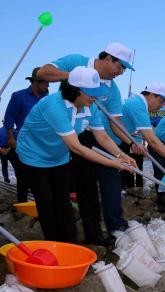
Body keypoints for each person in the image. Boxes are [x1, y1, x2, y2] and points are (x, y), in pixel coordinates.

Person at [16, 67, 136, 242]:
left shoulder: (91, 106)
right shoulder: (54, 106)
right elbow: (76, 147)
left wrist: (120, 155)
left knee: (63, 202)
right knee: (46, 203)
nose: (94, 97)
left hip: (60, 157)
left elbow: (102, 136)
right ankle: (54, 244)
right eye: (90, 93)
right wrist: (113, 164)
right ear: (75, 89)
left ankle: (69, 243)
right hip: (34, 156)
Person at [37, 42, 142, 237]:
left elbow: (115, 122)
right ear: (108, 58)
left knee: (113, 178)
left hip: (101, 135)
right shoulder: (76, 62)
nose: (120, 73)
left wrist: (129, 144)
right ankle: (93, 233)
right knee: (86, 187)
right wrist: (77, 78)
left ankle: (116, 228)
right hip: (74, 133)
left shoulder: (113, 90)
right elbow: (42, 73)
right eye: (119, 67)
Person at [107, 83, 165, 189]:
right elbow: (152, 140)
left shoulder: (140, 104)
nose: (161, 106)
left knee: (118, 175)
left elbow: (151, 133)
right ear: (151, 95)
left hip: (116, 141)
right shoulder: (138, 105)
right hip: (107, 140)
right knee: (112, 177)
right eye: (161, 101)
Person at [2, 67, 49, 201]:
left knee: (42, 173)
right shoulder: (18, 96)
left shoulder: (47, 99)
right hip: (25, 142)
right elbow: (9, 119)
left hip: (43, 142)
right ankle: (22, 203)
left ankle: (41, 201)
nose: (48, 85)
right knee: (23, 175)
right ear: (35, 82)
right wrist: (11, 138)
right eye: (45, 82)